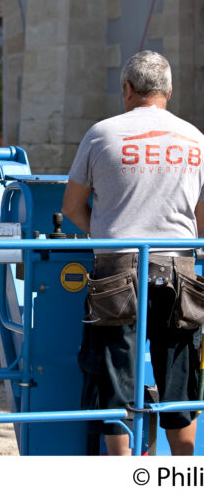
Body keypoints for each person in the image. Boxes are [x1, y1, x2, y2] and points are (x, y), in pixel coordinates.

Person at [62, 50, 204, 456]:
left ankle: (124, 473)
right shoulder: (196, 139)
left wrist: (107, 234)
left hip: (116, 270)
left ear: (127, 88)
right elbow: (201, 218)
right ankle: (183, 471)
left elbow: (71, 207)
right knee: (179, 375)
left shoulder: (102, 134)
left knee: (114, 376)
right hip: (179, 270)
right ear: (168, 92)